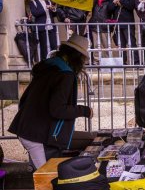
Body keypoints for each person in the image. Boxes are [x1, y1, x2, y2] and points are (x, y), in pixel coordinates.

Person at [8, 34, 93, 170]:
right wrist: (85, 110)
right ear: (77, 57)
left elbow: (24, 100)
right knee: (46, 180)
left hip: (29, 128)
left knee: (45, 178)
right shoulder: (65, 75)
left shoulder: (48, 68)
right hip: (38, 135)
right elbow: (58, 109)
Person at [107, 0, 139, 64]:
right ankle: (123, 62)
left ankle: (136, 62)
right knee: (120, 45)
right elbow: (109, 8)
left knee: (132, 44)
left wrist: (121, 0)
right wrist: (114, 2)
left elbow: (131, 6)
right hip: (117, 24)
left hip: (128, 23)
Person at [88, 0, 111, 64]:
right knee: (95, 45)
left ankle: (107, 61)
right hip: (95, 25)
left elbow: (111, 10)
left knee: (106, 44)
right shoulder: (95, 1)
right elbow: (90, 10)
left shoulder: (108, 1)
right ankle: (96, 60)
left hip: (104, 26)